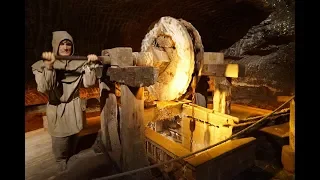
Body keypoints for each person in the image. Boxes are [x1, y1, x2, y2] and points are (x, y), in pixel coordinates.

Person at [31, 31, 99, 172]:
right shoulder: (41, 65)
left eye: (68, 44)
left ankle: (73, 167)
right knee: (61, 148)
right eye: (62, 44)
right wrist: (49, 68)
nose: (66, 47)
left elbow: (89, 83)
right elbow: (45, 87)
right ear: (56, 45)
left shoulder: (79, 63)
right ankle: (63, 171)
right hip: (58, 110)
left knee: (74, 142)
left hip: (74, 109)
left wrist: (91, 66)